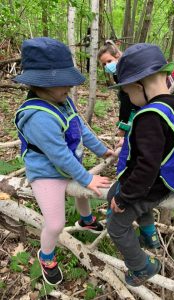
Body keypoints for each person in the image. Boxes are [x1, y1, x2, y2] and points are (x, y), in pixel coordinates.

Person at [13, 37, 114, 286]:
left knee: (81, 191)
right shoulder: (38, 117)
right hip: (46, 173)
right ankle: (46, 256)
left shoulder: (62, 100)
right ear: (42, 84)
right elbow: (58, 156)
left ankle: (86, 219)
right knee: (56, 223)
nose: (69, 87)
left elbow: (80, 129)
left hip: (67, 165)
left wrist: (102, 151)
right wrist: (87, 177)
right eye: (63, 83)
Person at [107, 43, 174, 287]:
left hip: (153, 184)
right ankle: (149, 235)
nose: (128, 97)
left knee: (115, 225)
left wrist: (125, 198)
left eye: (127, 92)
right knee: (111, 194)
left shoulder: (150, 117)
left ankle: (141, 267)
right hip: (171, 177)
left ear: (138, 86)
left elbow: (146, 168)